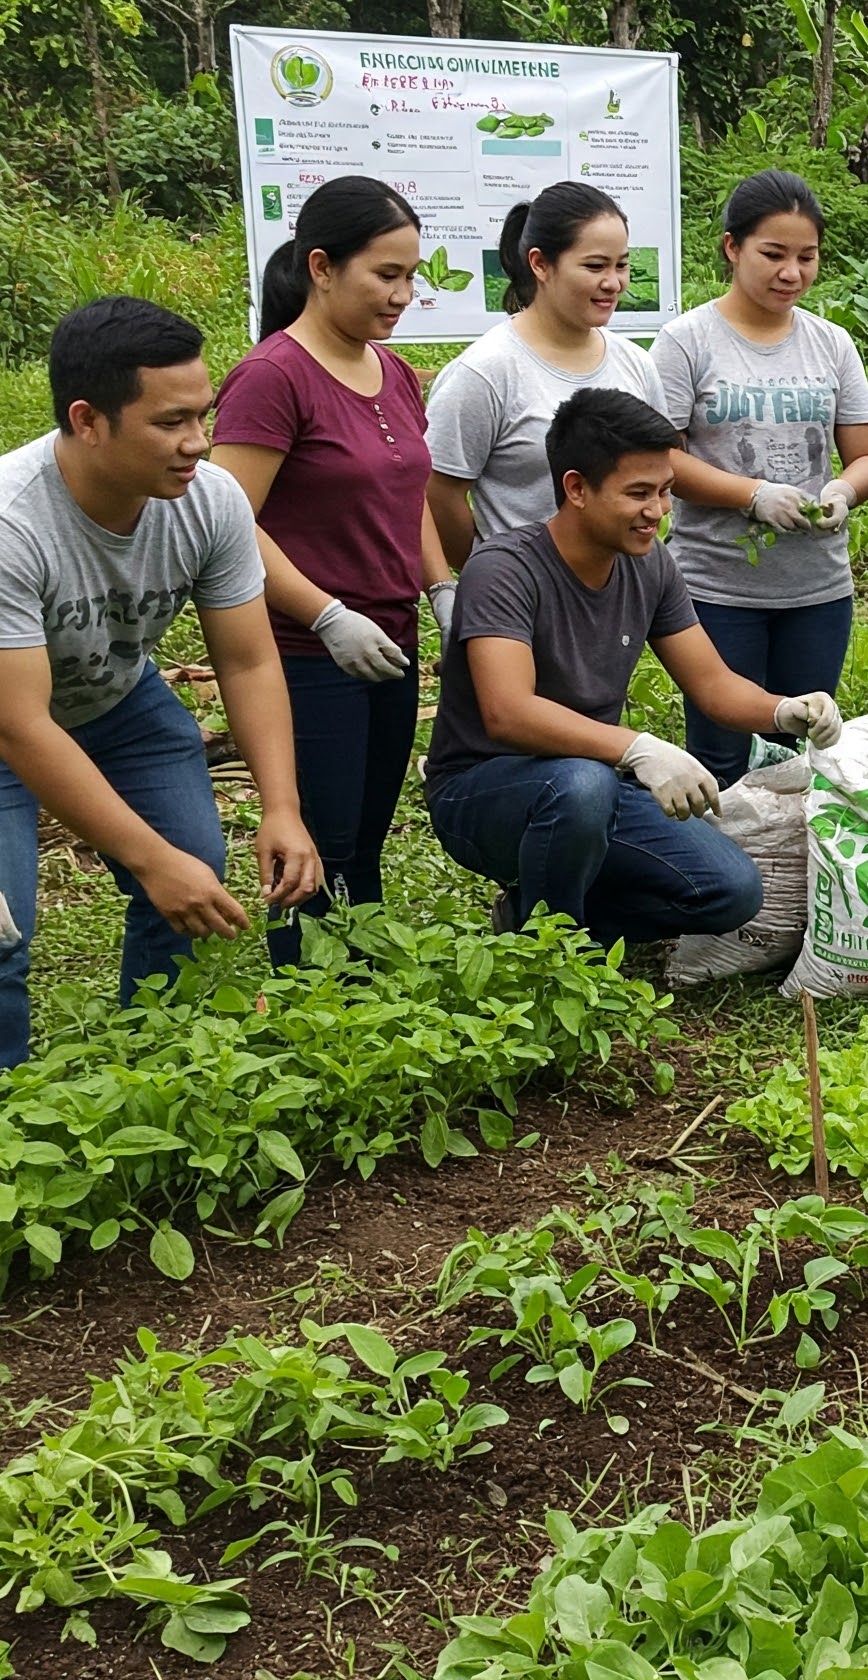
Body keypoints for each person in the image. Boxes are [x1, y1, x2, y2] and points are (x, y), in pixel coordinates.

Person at [0, 299, 323, 1064]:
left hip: (118, 699)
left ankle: (155, 1075)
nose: (198, 442)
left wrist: (281, 807)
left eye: (202, 416)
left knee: (192, 872)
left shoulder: (209, 501)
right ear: (87, 420)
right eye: (171, 422)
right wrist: (149, 860)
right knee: (2, 932)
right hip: (11, 720)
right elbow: (21, 725)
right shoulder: (14, 522)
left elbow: (247, 660)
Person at [423, 387, 844, 943]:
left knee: (731, 890)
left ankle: (540, 913)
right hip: (483, 792)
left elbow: (712, 684)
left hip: (593, 782)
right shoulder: (503, 570)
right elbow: (509, 713)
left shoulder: (649, 566)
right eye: (639, 493)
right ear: (576, 488)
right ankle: (550, 955)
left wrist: (785, 710)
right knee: (581, 785)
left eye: (665, 491)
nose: (658, 511)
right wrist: (637, 748)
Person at [210, 177, 452, 967]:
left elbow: (407, 492)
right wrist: (323, 612)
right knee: (318, 838)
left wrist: (440, 585)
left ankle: (365, 984)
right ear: (321, 267)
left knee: (366, 836)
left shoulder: (394, 372)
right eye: (386, 275)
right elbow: (227, 520)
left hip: (391, 637)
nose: (403, 294)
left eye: (411, 275)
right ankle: (307, 992)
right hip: (303, 652)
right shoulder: (273, 377)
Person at [651, 171, 868, 786]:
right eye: (773, 254)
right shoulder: (686, 342)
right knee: (722, 758)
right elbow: (660, 459)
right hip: (716, 587)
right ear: (732, 247)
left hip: (817, 589)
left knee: (801, 752)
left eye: (807, 257)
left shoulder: (831, 344)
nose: (792, 273)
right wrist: (750, 495)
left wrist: (843, 490)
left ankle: (789, 854)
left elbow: (867, 456)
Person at [425, 181, 665, 566]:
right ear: (540, 264)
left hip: (623, 588)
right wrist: (490, 570)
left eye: (621, 265)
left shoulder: (636, 363)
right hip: (521, 591)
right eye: (594, 266)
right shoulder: (485, 372)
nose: (613, 282)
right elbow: (439, 493)